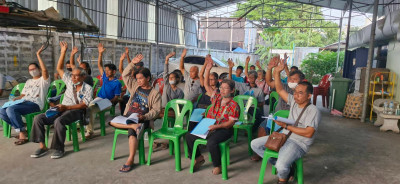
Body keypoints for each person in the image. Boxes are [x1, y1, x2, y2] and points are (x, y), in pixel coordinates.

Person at [251, 59, 321, 184]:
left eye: (300, 93)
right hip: (284, 136)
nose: (296, 95)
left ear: (309, 96)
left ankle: (282, 178)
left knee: (281, 165)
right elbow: (279, 90)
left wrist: (286, 126)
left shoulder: (313, 110)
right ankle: (286, 168)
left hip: (299, 143)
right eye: (295, 93)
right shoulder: (294, 101)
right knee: (255, 144)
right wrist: (277, 72)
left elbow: (309, 133)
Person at [30, 41, 93, 159]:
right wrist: (63, 52)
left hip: (76, 111)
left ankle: (59, 148)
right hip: (62, 108)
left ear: (83, 77)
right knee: (38, 118)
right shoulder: (70, 81)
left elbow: (84, 105)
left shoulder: (87, 88)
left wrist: (67, 107)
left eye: (76, 76)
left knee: (59, 121)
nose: (73, 77)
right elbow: (59, 68)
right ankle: (42, 146)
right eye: (72, 75)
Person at [185, 55, 240, 175]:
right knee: (189, 136)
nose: (222, 90)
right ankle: (198, 158)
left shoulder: (234, 105)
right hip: (210, 125)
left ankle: (218, 165)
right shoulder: (217, 97)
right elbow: (206, 85)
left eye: (226, 88)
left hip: (223, 129)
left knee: (211, 142)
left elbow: (230, 123)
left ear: (232, 91)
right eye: (221, 87)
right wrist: (208, 68)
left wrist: (216, 127)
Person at [109, 54, 161, 173]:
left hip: (143, 118)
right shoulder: (135, 86)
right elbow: (125, 75)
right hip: (129, 116)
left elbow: (156, 111)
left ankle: (130, 159)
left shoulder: (154, 93)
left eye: (141, 79)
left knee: (132, 132)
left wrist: (144, 116)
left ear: (148, 78)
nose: (138, 81)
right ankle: (132, 125)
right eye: (137, 79)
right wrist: (132, 63)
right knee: (112, 121)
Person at [0, 45, 50, 145]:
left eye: (34, 69)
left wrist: (38, 55)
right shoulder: (28, 81)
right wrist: (15, 99)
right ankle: (21, 128)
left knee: (11, 110)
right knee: (2, 110)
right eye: (30, 70)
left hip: (35, 104)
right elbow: (23, 95)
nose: (32, 71)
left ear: (39, 69)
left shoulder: (43, 81)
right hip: (24, 102)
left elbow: (45, 71)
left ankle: (22, 134)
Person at [85, 43, 122, 139]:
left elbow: (116, 97)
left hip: (107, 102)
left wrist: (108, 102)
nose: (106, 72)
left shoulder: (117, 83)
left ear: (114, 71)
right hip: (98, 99)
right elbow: (99, 65)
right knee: (86, 106)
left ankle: (89, 132)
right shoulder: (105, 78)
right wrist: (100, 53)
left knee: (90, 109)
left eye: (108, 70)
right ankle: (84, 126)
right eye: (105, 71)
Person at [228, 58, 264, 132]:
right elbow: (230, 81)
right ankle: (231, 129)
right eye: (249, 77)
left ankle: (251, 131)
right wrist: (230, 68)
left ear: (256, 78)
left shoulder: (259, 90)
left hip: (251, 108)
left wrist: (254, 102)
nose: (250, 79)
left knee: (259, 116)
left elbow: (261, 103)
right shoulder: (242, 86)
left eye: (252, 77)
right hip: (240, 107)